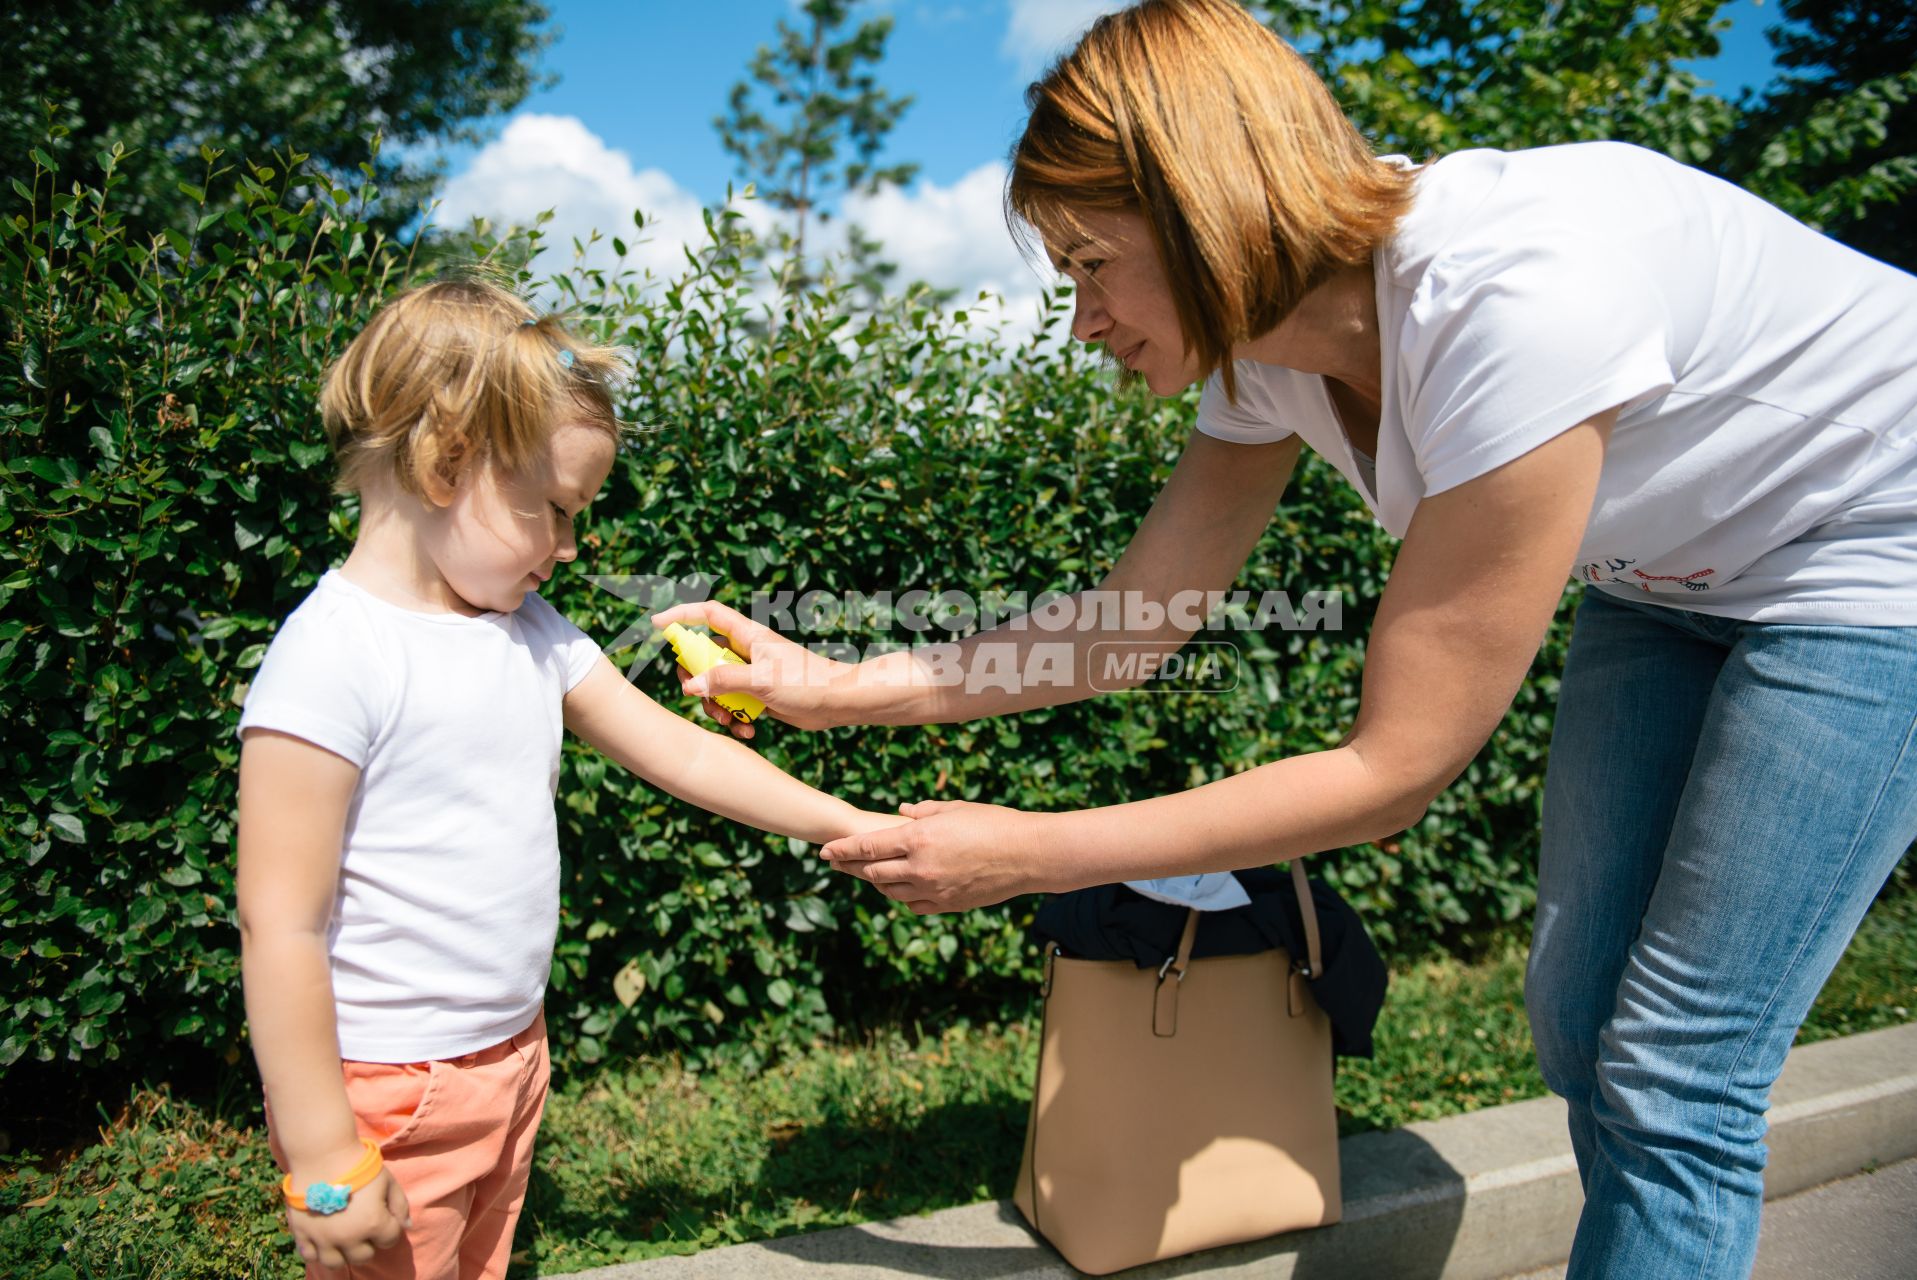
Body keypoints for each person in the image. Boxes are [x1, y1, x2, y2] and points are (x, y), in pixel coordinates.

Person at [650, 1, 1917, 1276]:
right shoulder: (1262, 360)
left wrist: (1034, 853)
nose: (1080, 319)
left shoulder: (1512, 298)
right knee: (1580, 1012)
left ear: (1208, 204)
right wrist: (832, 686)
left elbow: (1392, 775)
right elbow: (1125, 628)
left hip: (1877, 550)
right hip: (1666, 576)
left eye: (1093, 264)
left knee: (1676, 1065)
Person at [235, 278, 904, 1279]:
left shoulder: (529, 632)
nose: (568, 545)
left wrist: (853, 825)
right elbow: (278, 923)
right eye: (554, 509)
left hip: (512, 1055)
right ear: (446, 458)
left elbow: (678, 750)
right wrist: (327, 1156)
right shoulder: (334, 657)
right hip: (388, 1087)